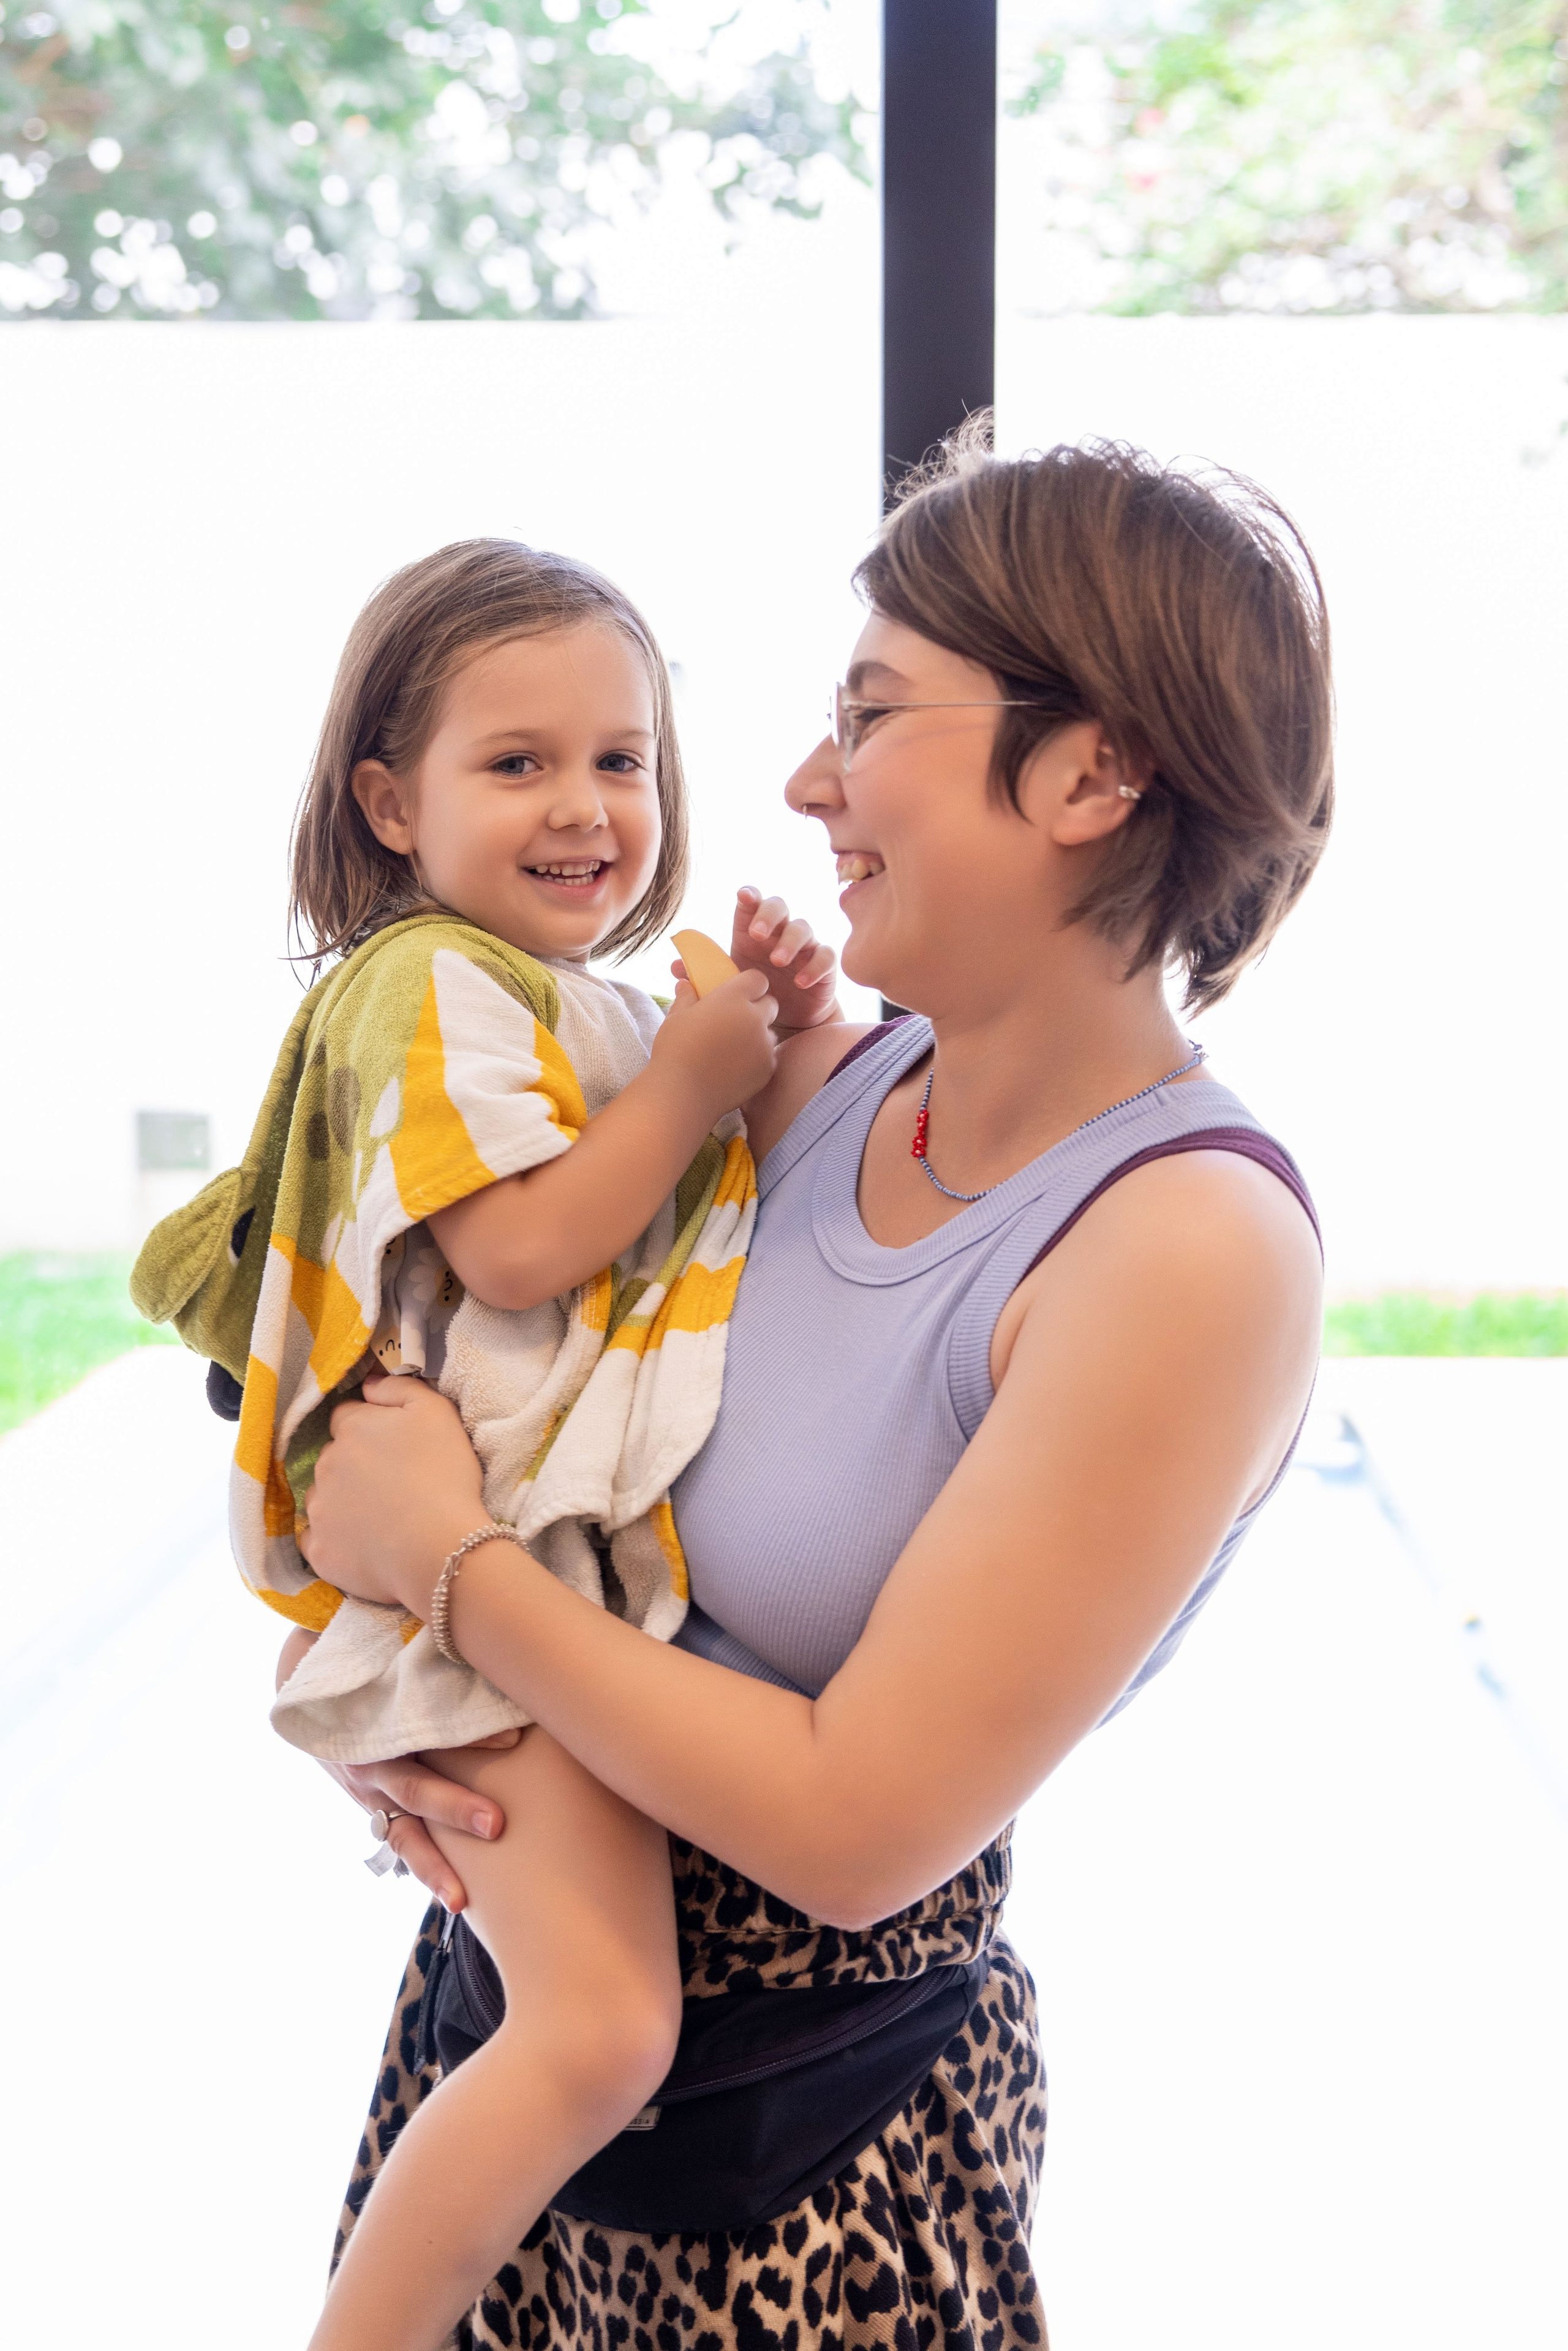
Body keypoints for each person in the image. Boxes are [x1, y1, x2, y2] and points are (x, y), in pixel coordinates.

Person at [301, 428, 1332, 2351]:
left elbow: (859, 1827)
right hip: (519, 2062)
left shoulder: (1184, 1248)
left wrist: (453, 1583)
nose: (796, 784)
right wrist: (398, 1703)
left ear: (1095, 767)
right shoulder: (820, 1082)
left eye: (870, 713)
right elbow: (465, 1328)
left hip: (799, 2195)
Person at [132, 538, 846, 2351]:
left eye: (622, 758)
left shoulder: (561, 997)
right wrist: (698, 1080)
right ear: (390, 801)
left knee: (581, 2019)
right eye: (516, 762)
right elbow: (525, 1243)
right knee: (602, 2031)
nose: (585, 806)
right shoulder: (428, 984)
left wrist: (766, 1040)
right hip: (475, 1585)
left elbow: (681, 1183)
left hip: (522, 1579)